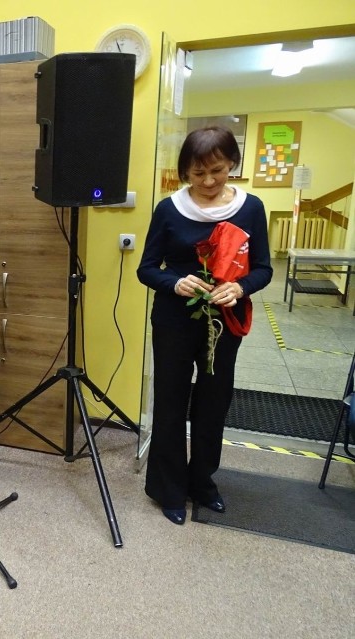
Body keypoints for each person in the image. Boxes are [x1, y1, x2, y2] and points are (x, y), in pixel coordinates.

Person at [137, 126, 273, 525]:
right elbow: (147, 268)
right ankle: (169, 489)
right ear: (185, 172)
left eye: (217, 170)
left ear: (232, 163)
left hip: (225, 321)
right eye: (198, 174)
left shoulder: (251, 208)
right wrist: (175, 281)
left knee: (214, 403)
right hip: (174, 320)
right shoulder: (169, 208)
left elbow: (263, 268)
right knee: (170, 402)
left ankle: (203, 483)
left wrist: (241, 287)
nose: (209, 181)